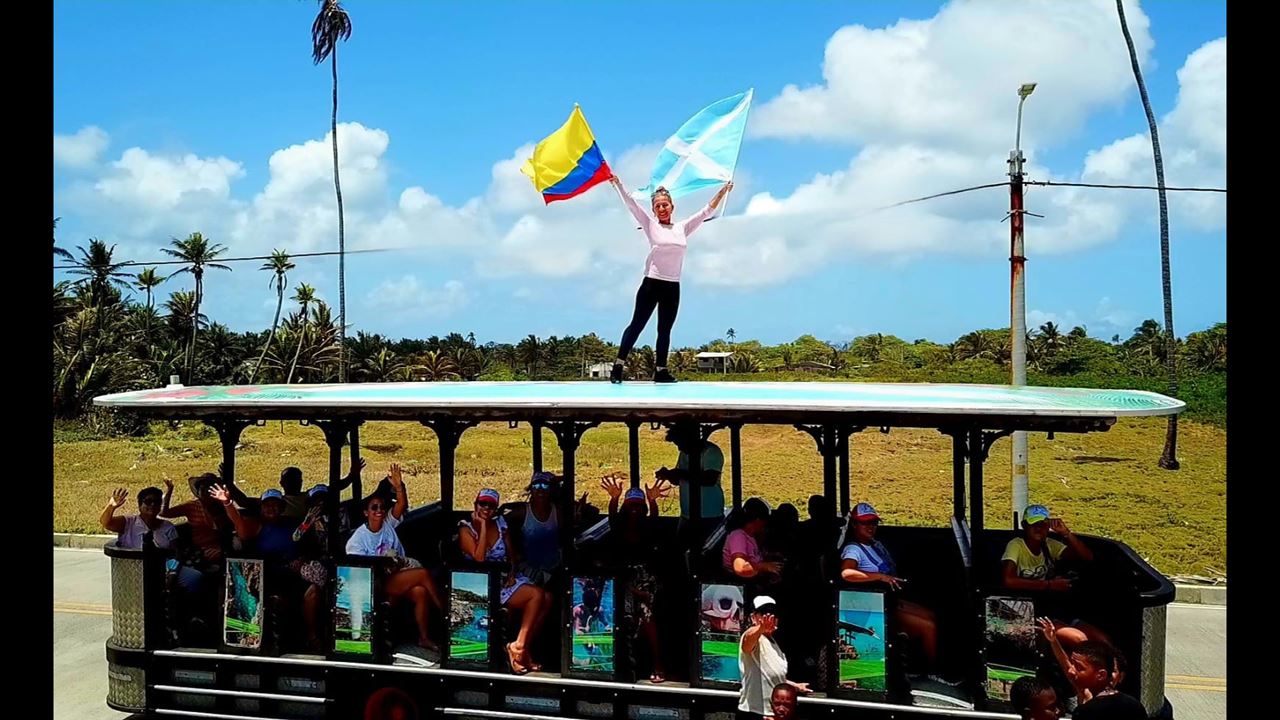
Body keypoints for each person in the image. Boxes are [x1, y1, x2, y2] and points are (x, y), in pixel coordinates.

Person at [606, 175, 734, 383]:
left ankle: (661, 371)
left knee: (664, 330)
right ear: (654, 210)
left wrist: (723, 191)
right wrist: (618, 184)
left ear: (672, 206)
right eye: (658, 206)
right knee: (637, 325)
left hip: (672, 286)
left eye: (665, 205)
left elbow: (706, 211)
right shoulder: (650, 225)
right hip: (651, 284)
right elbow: (631, 204)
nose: (662, 209)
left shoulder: (682, 228)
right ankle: (618, 366)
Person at [346, 463, 442, 652]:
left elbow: (401, 505)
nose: (379, 510)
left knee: (420, 593)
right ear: (366, 512)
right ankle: (447, 614)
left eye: (381, 507)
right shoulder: (358, 539)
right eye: (374, 508)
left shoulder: (388, 523)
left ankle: (424, 637)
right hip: (377, 581)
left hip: (397, 573)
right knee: (422, 574)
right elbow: (360, 572)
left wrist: (399, 487)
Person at [839, 503, 942, 676]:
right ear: (855, 525)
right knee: (928, 627)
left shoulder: (874, 545)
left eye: (873, 522)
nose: (870, 527)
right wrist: (879, 576)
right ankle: (932, 673)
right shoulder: (853, 549)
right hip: (875, 606)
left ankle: (919, 665)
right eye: (865, 523)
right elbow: (847, 572)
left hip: (892, 600)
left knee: (932, 616)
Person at [457, 488, 552, 675]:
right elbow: (480, 558)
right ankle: (518, 648)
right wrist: (483, 526)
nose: (486, 508)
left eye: (491, 506)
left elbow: (512, 556)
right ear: (475, 505)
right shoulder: (465, 528)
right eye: (482, 504)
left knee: (548, 598)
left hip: (503, 579)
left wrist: (511, 572)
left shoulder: (501, 524)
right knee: (536, 595)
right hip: (482, 582)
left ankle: (523, 647)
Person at [1003, 505, 1108, 649]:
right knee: (1079, 639)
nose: (1039, 528)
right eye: (1034, 524)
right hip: (1027, 612)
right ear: (1024, 526)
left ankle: (1115, 670)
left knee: (1102, 640)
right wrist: (1050, 584)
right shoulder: (1016, 546)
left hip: (1052, 607)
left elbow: (1086, 557)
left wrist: (1066, 533)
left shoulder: (1049, 545)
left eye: (1043, 524)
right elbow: (1009, 580)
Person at [601, 473, 671, 683]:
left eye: (639, 506)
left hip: (644, 582)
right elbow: (612, 517)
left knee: (647, 615)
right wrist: (614, 498)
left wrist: (652, 500)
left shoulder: (648, 529)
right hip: (621, 581)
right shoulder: (618, 528)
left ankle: (658, 663)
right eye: (631, 506)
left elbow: (655, 520)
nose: (635, 510)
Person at [1037, 625, 1145, 720]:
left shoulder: (1087, 712)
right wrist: (1053, 640)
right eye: (1072, 665)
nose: (1071, 670)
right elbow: (1065, 664)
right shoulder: (1135, 705)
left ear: (1101, 674)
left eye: (1079, 667)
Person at [738, 596, 809, 720]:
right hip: (755, 712)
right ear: (753, 617)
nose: (769, 617)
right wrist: (760, 628)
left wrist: (796, 686)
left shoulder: (775, 644)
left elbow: (773, 675)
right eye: (764, 613)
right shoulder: (753, 636)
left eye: (773, 613)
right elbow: (747, 642)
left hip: (774, 714)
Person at [655, 422, 725, 523]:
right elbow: (679, 480)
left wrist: (680, 473)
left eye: (680, 444)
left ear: (690, 440)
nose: (679, 448)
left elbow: (710, 480)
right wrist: (668, 474)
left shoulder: (711, 452)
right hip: (686, 515)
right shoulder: (684, 453)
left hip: (709, 516)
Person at [507, 471, 563, 587]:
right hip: (528, 570)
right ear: (531, 490)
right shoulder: (521, 512)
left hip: (554, 568)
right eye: (536, 486)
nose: (540, 490)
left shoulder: (558, 512)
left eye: (545, 485)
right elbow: (501, 526)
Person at [101, 486, 178, 550]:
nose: (152, 505)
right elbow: (106, 523)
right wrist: (111, 507)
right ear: (139, 506)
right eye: (148, 501)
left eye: (157, 502)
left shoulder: (168, 527)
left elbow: (175, 552)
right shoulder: (128, 522)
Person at [724, 498, 783, 581]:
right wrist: (764, 567)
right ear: (758, 520)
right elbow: (740, 568)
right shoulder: (738, 536)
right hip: (743, 582)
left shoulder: (751, 537)